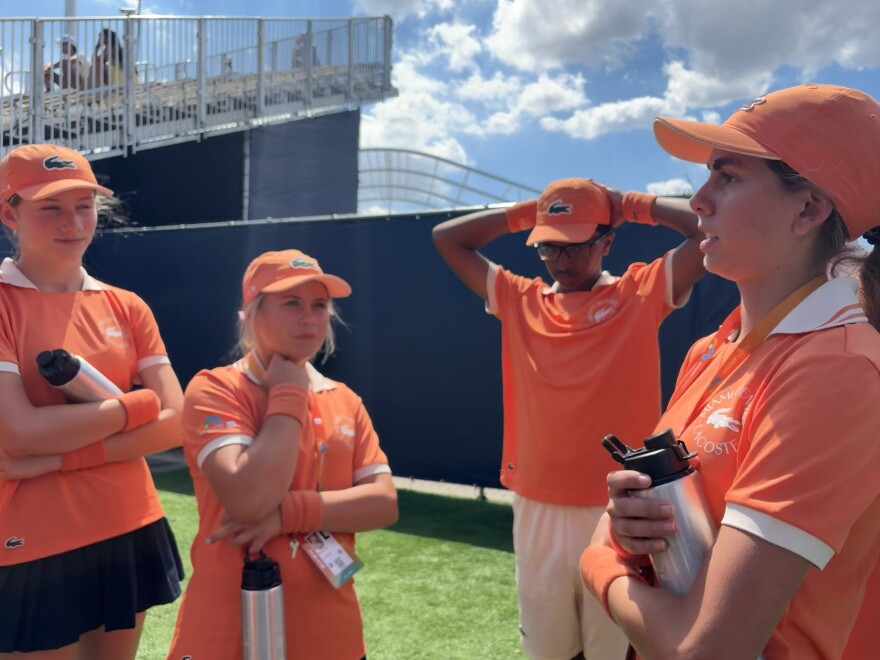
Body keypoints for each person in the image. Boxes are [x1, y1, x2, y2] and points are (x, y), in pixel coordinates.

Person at [579, 83, 880, 660]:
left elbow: (705, 648)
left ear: (809, 209)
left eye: (729, 176)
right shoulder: (711, 348)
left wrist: (598, 560)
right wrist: (630, 530)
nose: (699, 200)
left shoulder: (837, 368)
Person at [431, 177, 705, 659]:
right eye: (549, 248)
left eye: (576, 245)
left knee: (613, 646)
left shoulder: (638, 291)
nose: (562, 260)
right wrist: (530, 214)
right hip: (536, 500)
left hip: (622, 506)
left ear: (607, 241)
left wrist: (633, 204)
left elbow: (706, 230)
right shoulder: (520, 299)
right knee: (550, 648)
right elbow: (447, 238)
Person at [0, 144, 185, 658]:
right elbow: (19, 432)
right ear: (8, 213)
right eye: (50, 207)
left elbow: (180, 423)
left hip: (128, 523)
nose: (73, 222)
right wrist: (137, 408)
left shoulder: (128, 306)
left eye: (84, 205)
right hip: (29, 539)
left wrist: (61, 456)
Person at [167, 249, 398, 660]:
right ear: (251, 314)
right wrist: (290, 391)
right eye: (291, 303)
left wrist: (284, 516)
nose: (309, 318)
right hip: (226, 634)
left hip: (333, 639)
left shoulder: (345, 399)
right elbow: (248, 497)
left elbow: (383, 504)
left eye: (319, 305)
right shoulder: (215, 389)